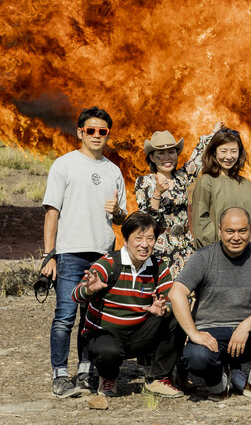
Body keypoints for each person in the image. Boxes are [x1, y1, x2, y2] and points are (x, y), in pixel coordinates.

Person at [41, 106, 128, 398]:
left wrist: (117, 212)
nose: (96, 136)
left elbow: (121, 219)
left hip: (103, 255)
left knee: (91, 318)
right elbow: (51, 212)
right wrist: (49, 255)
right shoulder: (64, 165)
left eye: (102, 132)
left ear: (108, 135)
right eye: (90, 130)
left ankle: (85, 370)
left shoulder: (114, 171)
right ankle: (60, 375)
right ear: (80, 132)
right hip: (70, 253)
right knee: (65, 316)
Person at [170, 207, 251, 403]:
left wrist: (245, 326)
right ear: (219, 230)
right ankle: (218, 381)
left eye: (242, 231)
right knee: (196, 357)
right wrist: (193, 333)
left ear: (250, 230)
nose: (236, 237)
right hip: (212, 333)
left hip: (249, 333)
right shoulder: (203, 257)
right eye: (230, 231)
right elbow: (177, 293)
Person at [75, 211, 186, 406]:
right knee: (108, 351)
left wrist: (164, 309)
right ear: (125, 240)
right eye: (138, 238)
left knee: (179, 312)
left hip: (139, 334)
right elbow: (75, 294)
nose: (145, 244)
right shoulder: (109, 263)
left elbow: (170, 297)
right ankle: (108, 377)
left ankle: (159, 379)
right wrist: (89, 289)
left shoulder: (158, 266)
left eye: (150, 238)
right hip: (105, 333)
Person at [134, 128, 205, 278]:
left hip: (185, 245)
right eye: (161, 153)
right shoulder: (145, 182)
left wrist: (214, 132)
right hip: (160, 247)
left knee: (188, 292)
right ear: (152, 157)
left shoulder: (182, 177)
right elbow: (147, 221)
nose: (167, 157)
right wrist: (158, 193)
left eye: (171, 152)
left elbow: (199, 157)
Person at [188, 128, 251, 250]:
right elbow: (200, 221)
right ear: (214, 152)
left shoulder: (246, 184)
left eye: (233, 151)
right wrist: (215, 251)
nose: (228, 157)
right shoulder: (207, 182)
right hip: (222, 256)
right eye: (223, 151)